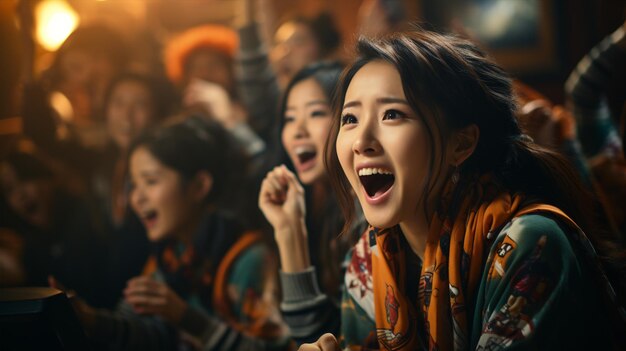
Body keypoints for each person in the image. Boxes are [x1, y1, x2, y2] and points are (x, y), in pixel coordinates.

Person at [303, 29, 626, 350]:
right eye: (350, 119)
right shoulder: (366, 264)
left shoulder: (531, 245)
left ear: (462, 143)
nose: (361, 142)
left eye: (392, 114)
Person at [59, 116, 288, 350]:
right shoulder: (169, 255)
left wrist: (187, 318)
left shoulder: (248, 260)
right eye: (134, 184)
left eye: (150, 181)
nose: (136, 198)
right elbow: (152, 334)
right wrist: (90, 319)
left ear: (199, 186)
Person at [258, 62, 365, 345]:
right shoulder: (300, 202)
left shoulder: (366, 213)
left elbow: (326, 340)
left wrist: (290, 232)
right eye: (289, 118)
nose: (297, 131)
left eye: (316, 113)